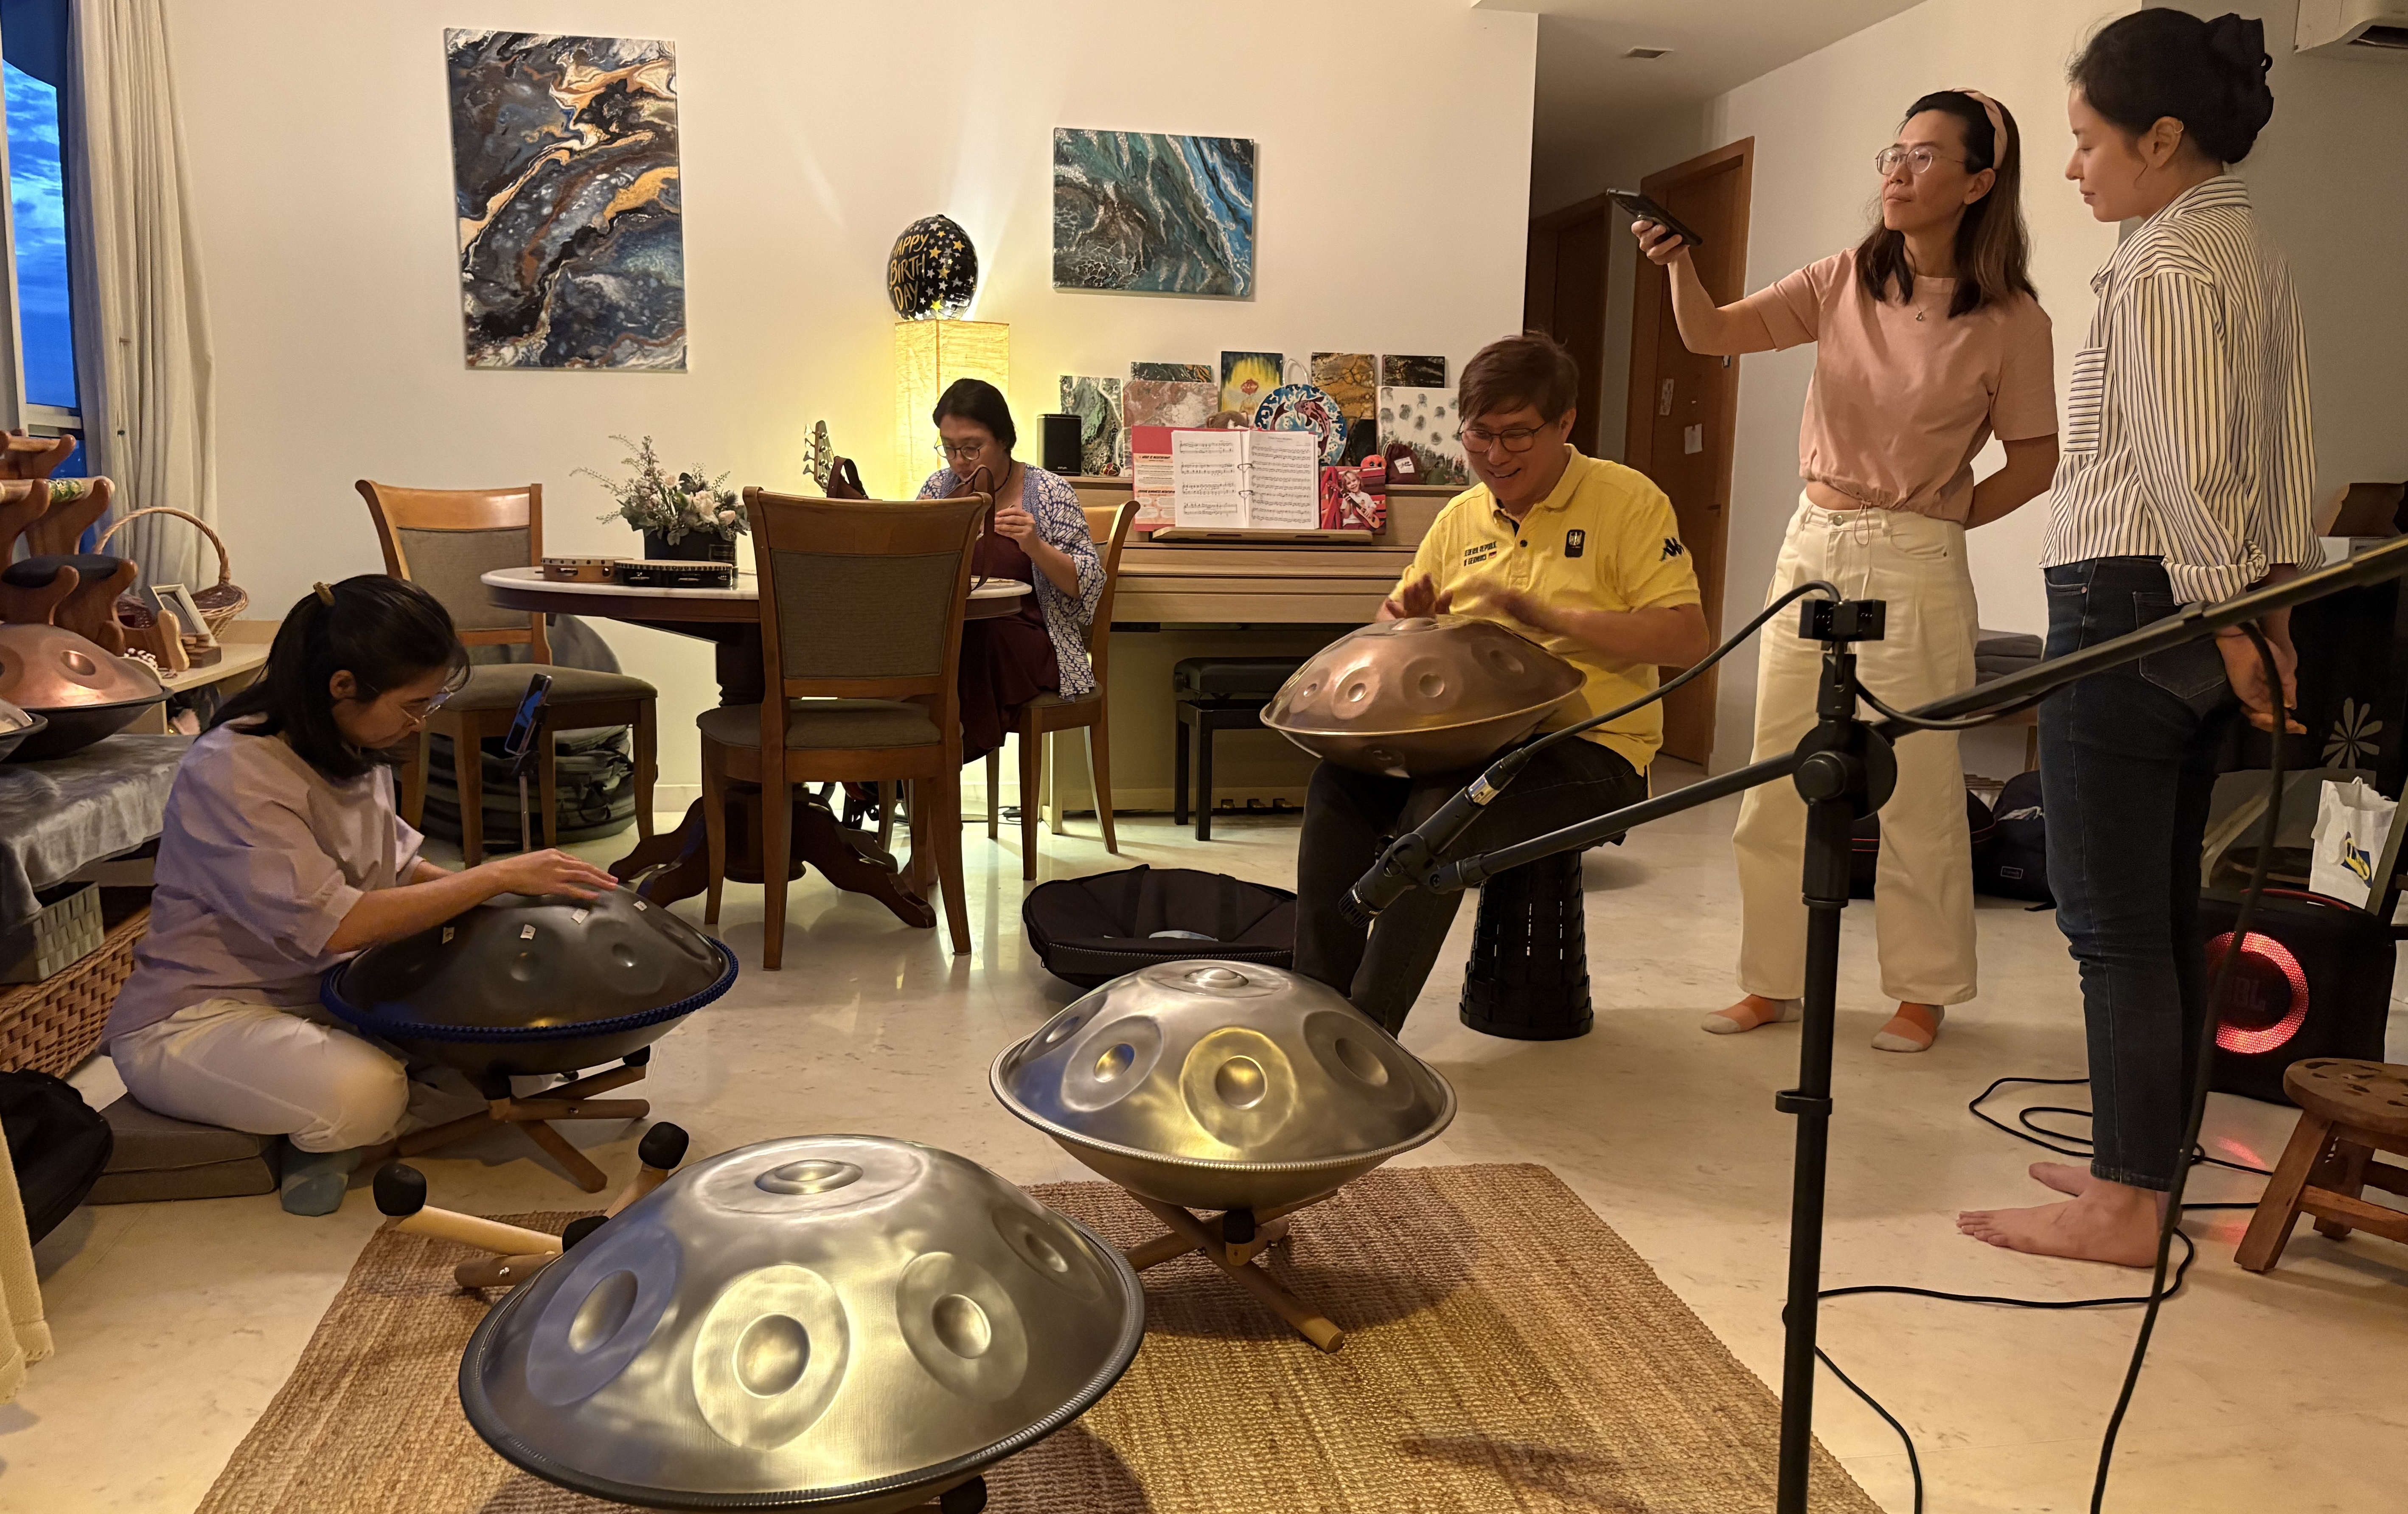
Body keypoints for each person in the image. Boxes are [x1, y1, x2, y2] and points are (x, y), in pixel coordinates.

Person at [1959, 12, 2310, 1266]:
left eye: (2084, 142)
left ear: (2161, 138)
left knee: (2107, 920)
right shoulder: (2249, 249)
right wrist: (2267, 604)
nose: (2072, 169)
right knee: (2160, 908)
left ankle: (2121, 1205)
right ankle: (2143, 1160)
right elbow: (2278, 452)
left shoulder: (2163, 267)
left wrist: (2222, 617)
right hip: (2216, 601)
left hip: (2130, 605)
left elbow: (2179, 462)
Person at [1633, 88, 2059, 1054]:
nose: (1894, 173)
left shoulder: (2008, 320)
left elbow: (2034, 459)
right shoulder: (1840, 279)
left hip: (1914, 554)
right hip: (1813, 542)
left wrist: (1943, 514)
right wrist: (1680, 267)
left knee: (1913, 777)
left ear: (1978, 181)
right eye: (1891, 153)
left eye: (1921, 157)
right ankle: (1767, 978)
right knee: (1774, 774)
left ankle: (1921, 989)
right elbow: (1711, 334)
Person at [105, 577, 618, 1215]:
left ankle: (336, 1116)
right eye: (412, 705)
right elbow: (341, 926)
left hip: (331, 995)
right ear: (342, 686)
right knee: (366, 1093)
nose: (419, 721)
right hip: (204, 1016)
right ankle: (330, 1133)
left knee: (515, 1060)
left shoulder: (351, 747)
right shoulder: (234, 769)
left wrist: (514, 903)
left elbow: (399, 871)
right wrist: (495, 877)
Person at [1294, 333, 1713, 1034]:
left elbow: (1685, 638)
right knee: (1336, 789)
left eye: (1517, 434)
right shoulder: (1460, 516)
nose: (1495, 454)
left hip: (1593, 747)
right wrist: (1406, 625)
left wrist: (1551, 617)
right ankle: (1313, 1009)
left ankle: (1362, 1037)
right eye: (1479, 434)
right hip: (1471, 739)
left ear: (1565, 424)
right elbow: (1388, 622)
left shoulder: (1627, 501)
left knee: (1440, 813)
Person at [916, 378, 1105, 762]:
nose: (959, 461)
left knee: (983, 637)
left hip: (1034, 637)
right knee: (921, 646)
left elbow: (1086, 585)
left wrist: (1035, 546)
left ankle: (930, 764)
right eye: (949, 448)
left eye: (971, 448)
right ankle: (895, 756)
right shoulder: (940, 488)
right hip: (954, 633)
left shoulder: (1051, 492)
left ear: (1003, 438)